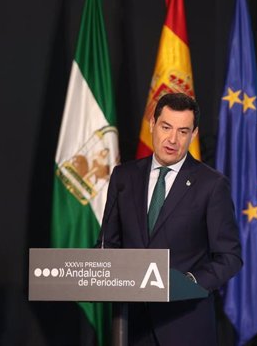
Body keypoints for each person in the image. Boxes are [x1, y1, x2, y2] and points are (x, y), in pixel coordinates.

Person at [99, 92, 242, 346]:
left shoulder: (211, 185)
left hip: (185, 325)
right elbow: (108, 245)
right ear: (152, 125)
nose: (173, 139)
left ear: (193, 134)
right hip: (131, 325)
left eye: (183, 131)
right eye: (166, 127)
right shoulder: (124, 178)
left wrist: (190, 283)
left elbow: (230, 257)